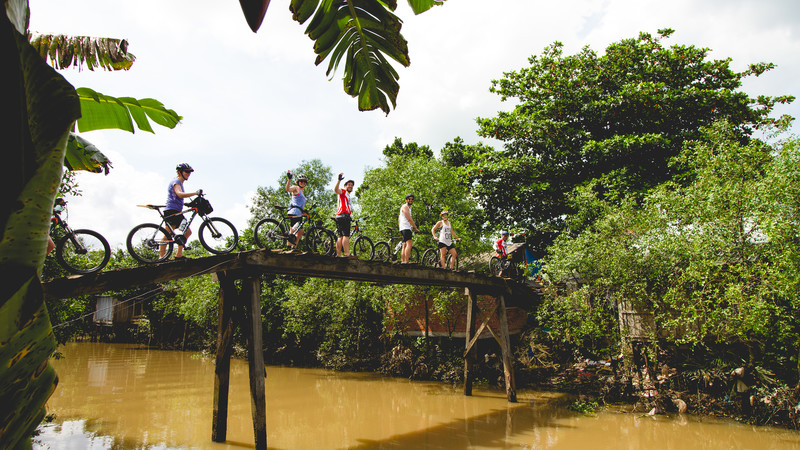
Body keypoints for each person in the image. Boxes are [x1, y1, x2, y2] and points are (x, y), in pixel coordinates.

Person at [162, 163, 200, 260]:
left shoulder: (179, 183)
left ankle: (178, 255)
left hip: (176, 210)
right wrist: (195, 193)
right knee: (168, 234)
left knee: (187, 232)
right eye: (186, 172)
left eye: (190, 172)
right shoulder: (176, 182)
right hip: (172, 211)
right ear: (179, 172)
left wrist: (186, 204)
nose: (188, 174)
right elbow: (179, 194)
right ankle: (161, 257)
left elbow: (176, 198)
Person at [285, 170, 308, 251]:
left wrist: (305, 210)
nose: (303, 183)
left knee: (300, 232)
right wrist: (289, 179)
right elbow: (287, 189)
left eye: (304, 182)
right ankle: (289, 247)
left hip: (299, 212)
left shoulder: (302, 191)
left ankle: (294, 247)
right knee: (293, 229)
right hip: (295, 211)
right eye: (301, 181)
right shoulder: (296, 188)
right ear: (298, 182)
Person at [333, 173, 355, 257]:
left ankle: (338, 254)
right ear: (345, 186)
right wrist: (339, 180)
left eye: (352, 185)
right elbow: (336, 190)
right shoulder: (343, 191)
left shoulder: (348, 195)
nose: (350, 186)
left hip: (339, 216)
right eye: (349, 185)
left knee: (340, 236)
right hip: (343, 215)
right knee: (346, 235)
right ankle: (347, 253)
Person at [398, 194, 419, 263]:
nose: (410, 200)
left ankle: (403, 261)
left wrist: (400, 227)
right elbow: (409, 219)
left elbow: (399, 218)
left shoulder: (408, 208)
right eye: (409, 199)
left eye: (412, 199)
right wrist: (415, 228)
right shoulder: (405, 207)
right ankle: (406, 261)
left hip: (404, 227)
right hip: (405, 228)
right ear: (406, 199)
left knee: (404, 244)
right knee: (409, 244)